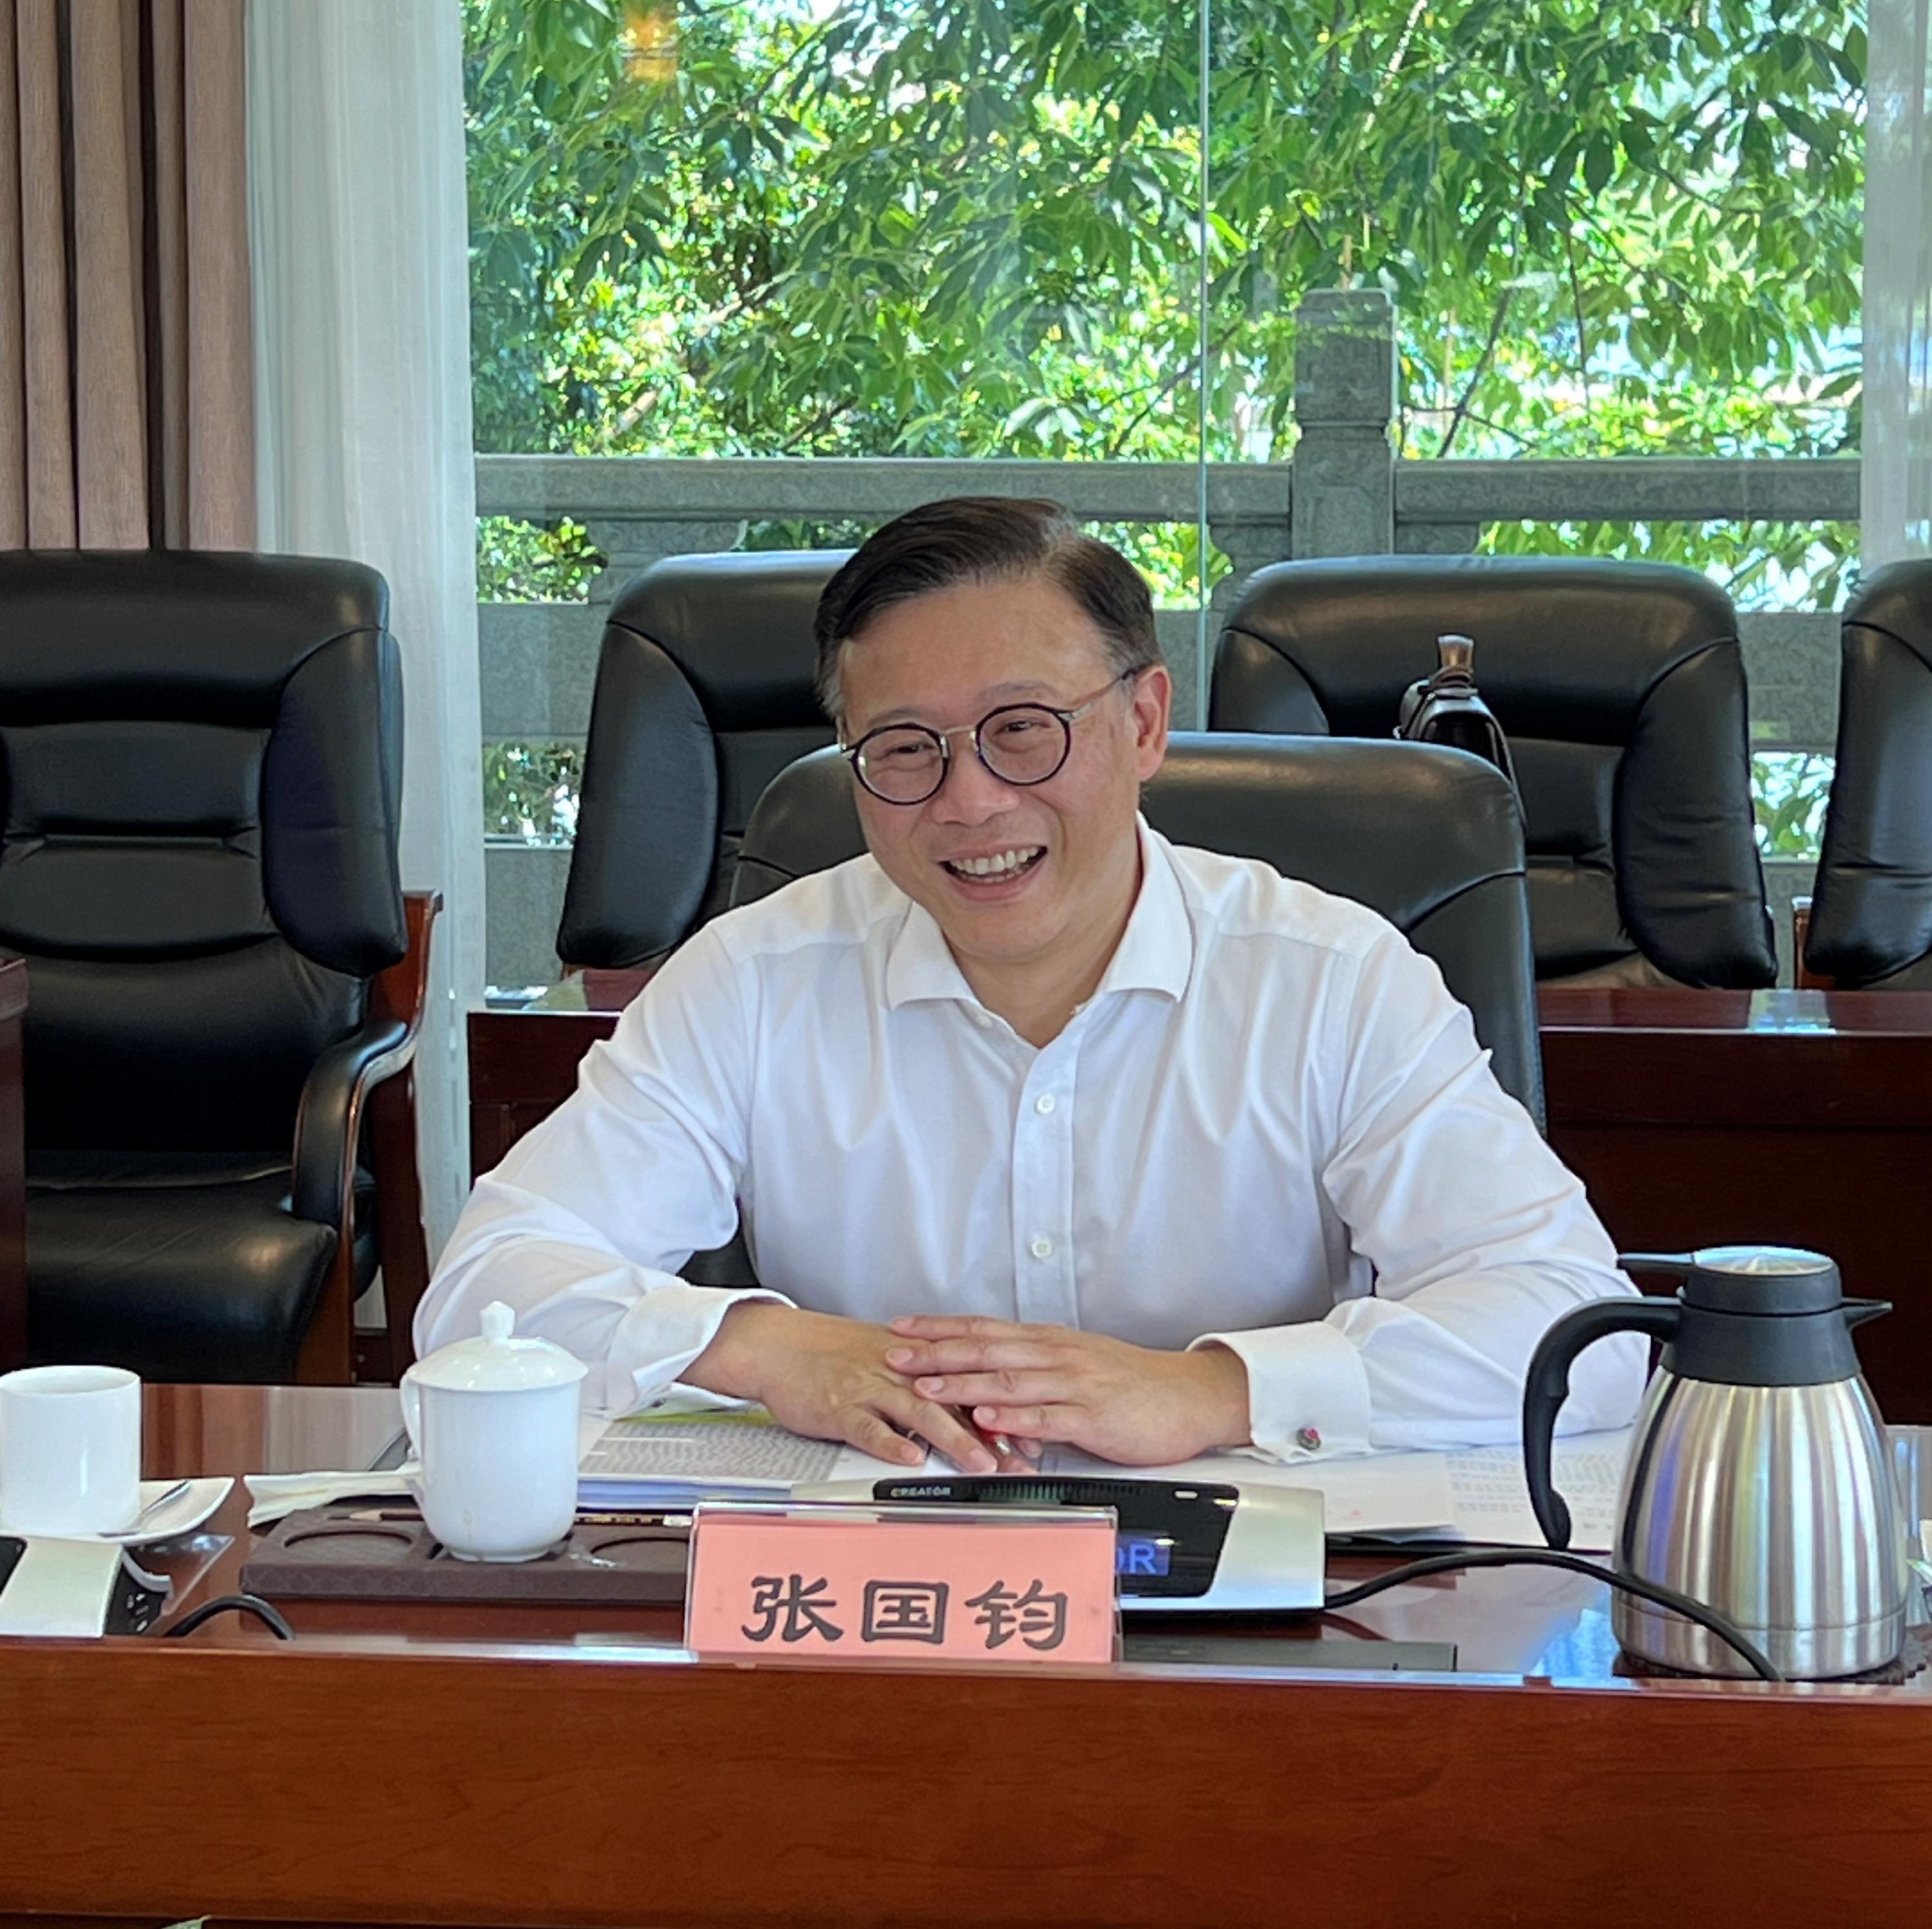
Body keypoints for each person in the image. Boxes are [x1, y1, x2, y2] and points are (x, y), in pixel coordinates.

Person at [421, 498, 1645, 1469]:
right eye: (905, 748)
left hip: (1259, 1613)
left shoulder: (1328, 980)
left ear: (1147, 722)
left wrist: (1210, 1389)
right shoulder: (754, 977)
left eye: (1024, 727)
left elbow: (1579, 1334)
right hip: (877, 1613)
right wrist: (767, 1347)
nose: (970, 802)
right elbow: (487, 1289)